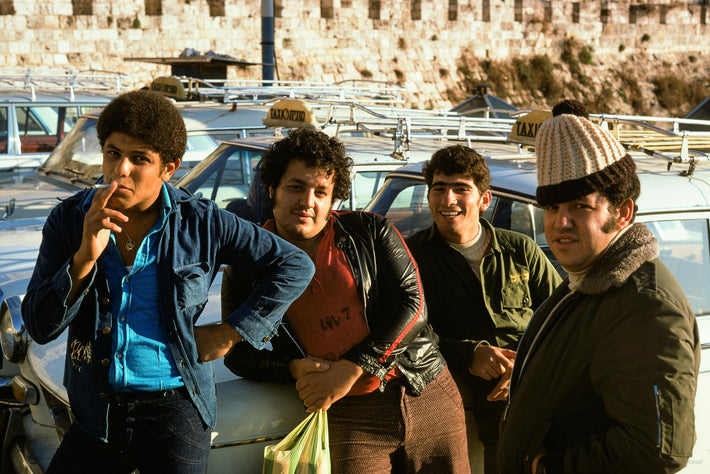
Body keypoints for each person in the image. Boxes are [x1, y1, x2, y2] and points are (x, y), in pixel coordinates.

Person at [21, 90, 314, 474]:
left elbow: (294, 265)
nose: (120, 169)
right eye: (112, 153)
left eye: (139, 159)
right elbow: (41, 328)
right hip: (97, 410)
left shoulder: (202, 222)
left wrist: (232, 332)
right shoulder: (71, 220)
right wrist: (84, 259)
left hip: (176, 408)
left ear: (168, 168)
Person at [221, 127, 471, 473]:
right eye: (296, 187)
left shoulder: (370, 232)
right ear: (272, 189)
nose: (308, 202)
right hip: (349, 414)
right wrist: (291, 368)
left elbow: (413, 305)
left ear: (333, 197)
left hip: (424, 387)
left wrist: (355, 367)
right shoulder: (247, 265)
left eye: (321, 192)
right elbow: (237, 353)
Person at [497, 114, 700, 473]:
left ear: (622, 213)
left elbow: (659, 449)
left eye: (580, 206)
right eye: (551, 207)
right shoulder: (585, 281)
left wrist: (550, 468)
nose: (561, 222)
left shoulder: (643, 304)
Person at [405, 145, 561, 473]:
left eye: (461, 189)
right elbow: (405, 336)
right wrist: (469, 354)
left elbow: (563, 319)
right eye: (439, 189)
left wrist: (524, 368)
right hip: (460, 397)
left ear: (484, 200)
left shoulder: (521, 249)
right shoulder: (410, 258)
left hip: (536, 392)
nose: (448, 200)